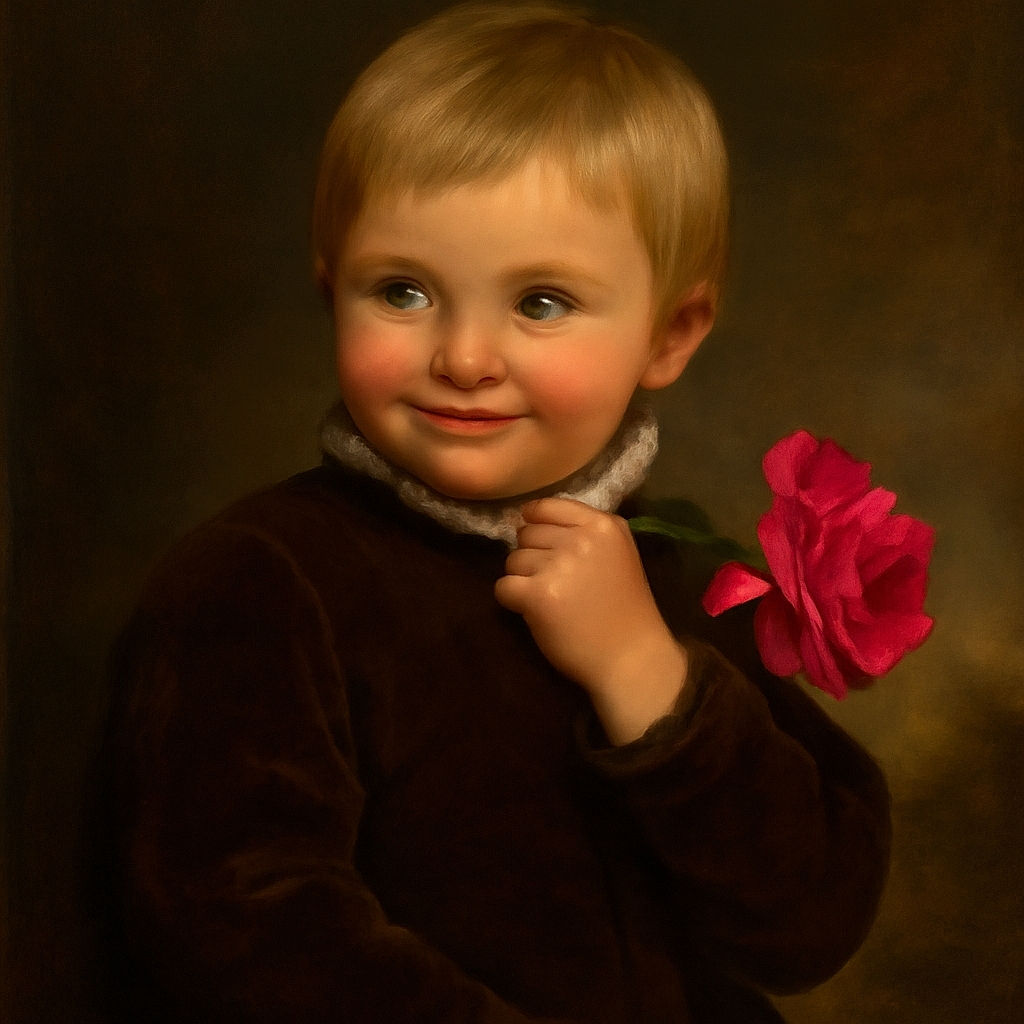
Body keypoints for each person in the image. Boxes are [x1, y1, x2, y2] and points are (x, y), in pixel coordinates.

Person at [99, 4, 891, 1021]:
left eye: (541, 303)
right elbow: (243, 926)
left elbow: (809, 923)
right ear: (331, 291)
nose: (465, 358)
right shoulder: (264, 578)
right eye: (403, 291)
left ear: (671, 332)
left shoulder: (674, 579)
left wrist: (646, 675)